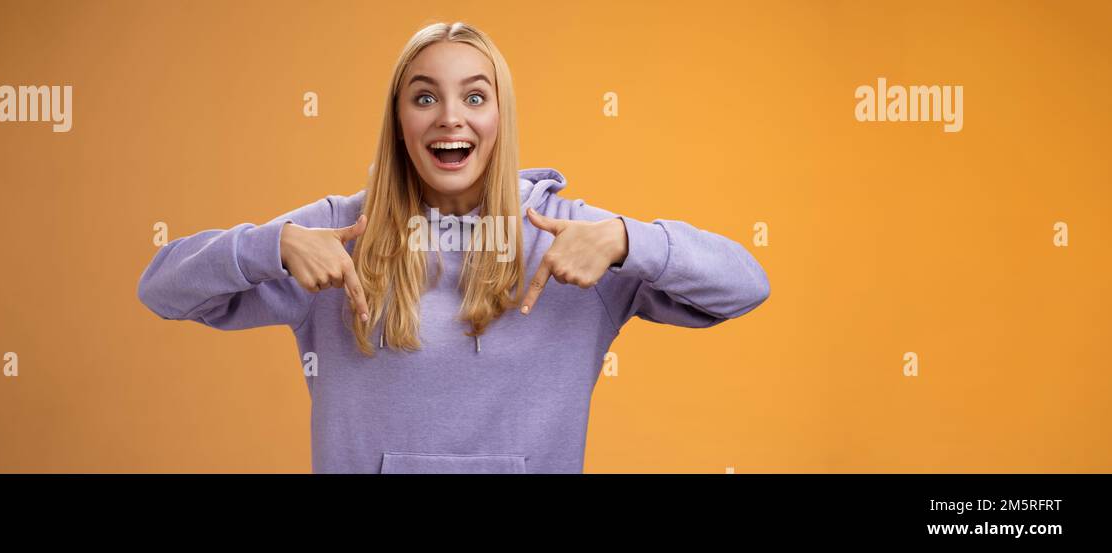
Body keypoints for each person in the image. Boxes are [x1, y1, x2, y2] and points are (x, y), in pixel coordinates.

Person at [137, 21, 770, 473]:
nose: (450, 117)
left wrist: (631, 239)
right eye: (424, 97)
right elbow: (161, 289)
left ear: (500, 116)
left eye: (474, 96)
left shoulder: (567, 236)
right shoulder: (338, 235)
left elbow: (745, 285)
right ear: (400, 120)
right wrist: (269, 247)